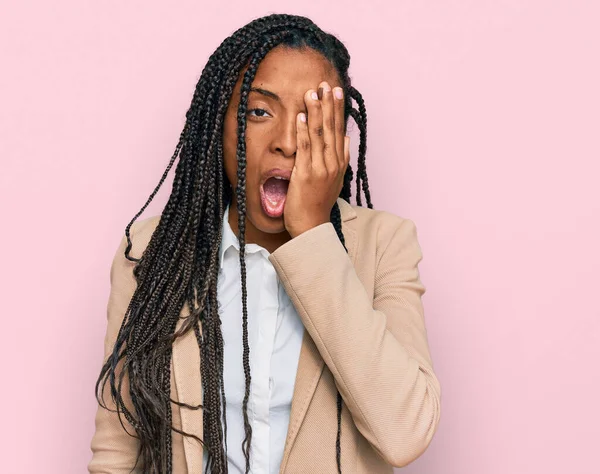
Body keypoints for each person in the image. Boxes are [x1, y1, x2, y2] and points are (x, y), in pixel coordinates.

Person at [88, 13, 441, 474]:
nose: (287, 144)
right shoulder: (153, 250)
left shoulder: (384, 245)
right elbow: (117, 451)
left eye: (312, 119)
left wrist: (313, 236)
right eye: (259, 111)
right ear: (219, 124)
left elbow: (406, 430)